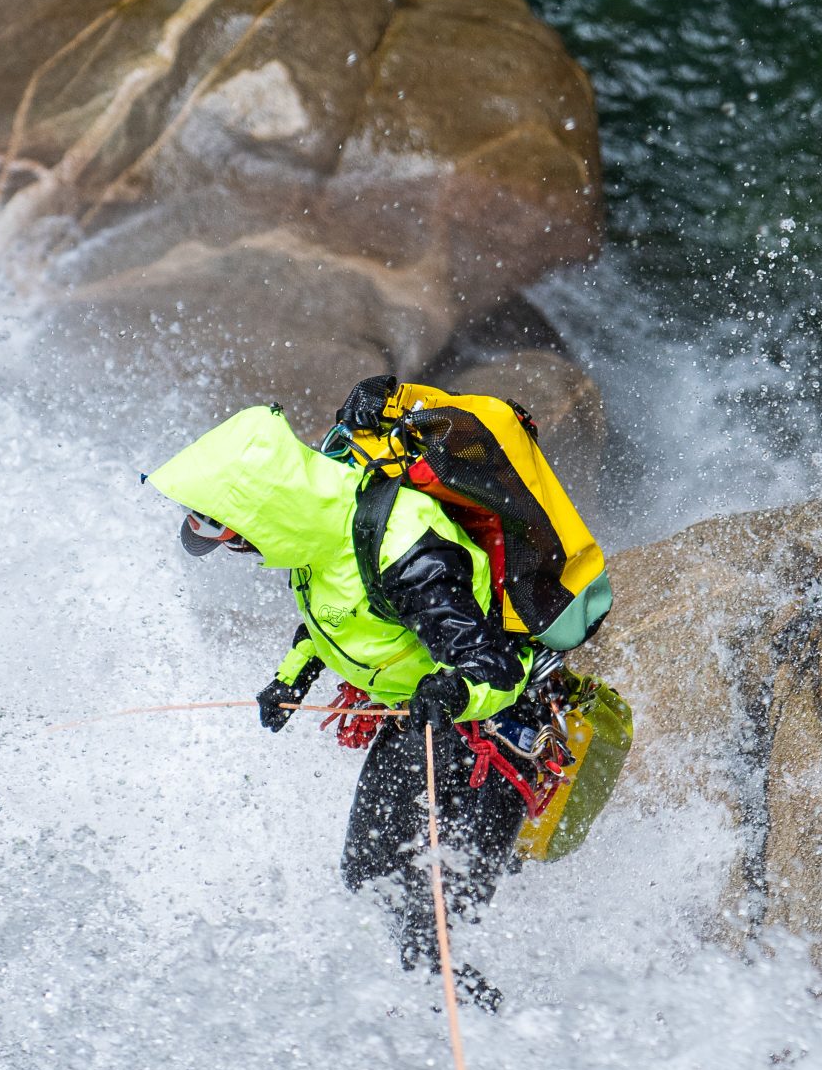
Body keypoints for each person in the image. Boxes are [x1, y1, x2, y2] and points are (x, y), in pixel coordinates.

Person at [148, 398, 553, 1009]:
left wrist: (453, 689)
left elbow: (491, 667)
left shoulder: (404, 549)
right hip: (419, 717)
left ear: (264, 513)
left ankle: (495, 1030)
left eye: (230, 536)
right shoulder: (316, 535)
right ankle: (431, 1014)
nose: (234, 550)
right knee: (370, 877)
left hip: (491, 728)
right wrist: (292, 679)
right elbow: (336, 621)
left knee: (440, 909)